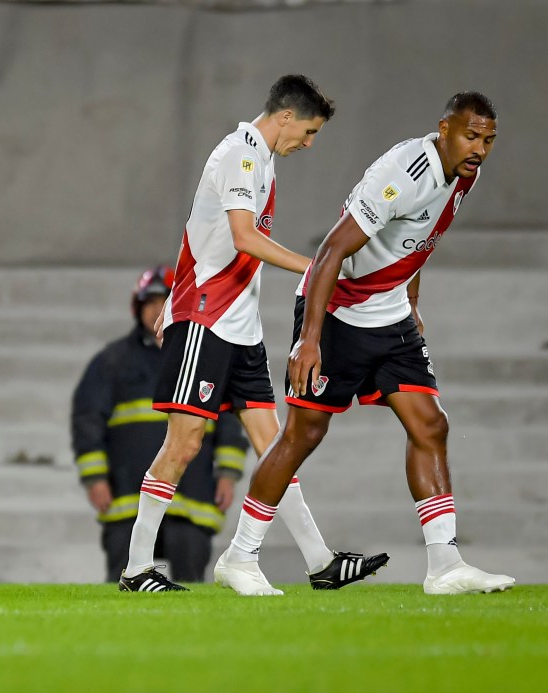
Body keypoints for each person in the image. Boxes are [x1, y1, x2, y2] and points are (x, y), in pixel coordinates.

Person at [219, 92, 515, 596]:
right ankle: (239, 556)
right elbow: (332, 248)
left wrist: (412, 300)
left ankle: (445, 566)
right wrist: (308, 341)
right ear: (444, 128)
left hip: (391, 315)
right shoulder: (403, 172)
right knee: (302, 437)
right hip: (339, 313)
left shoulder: (465, 174)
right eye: (471, 136)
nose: (479, 149)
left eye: (488, 140)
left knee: (431, 424)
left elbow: (421, 238)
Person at [120, 75, 388, 594]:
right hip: (207, 318)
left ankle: (319, 561)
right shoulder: (240, 154)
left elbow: (211, 235)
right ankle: (137, 568)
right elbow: (244, 237)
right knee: (186, 442)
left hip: (239, 326)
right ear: (285, 117)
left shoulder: (261, 160)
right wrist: (316, 269)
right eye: (308, 132)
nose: (308, 144)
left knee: (276, 447)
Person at [72, 266, 250, 583]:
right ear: (137, 308)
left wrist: (228, 475)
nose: (158, 308)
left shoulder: (205, 357)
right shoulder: (112, 361)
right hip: (127, 499)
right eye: (150, 301)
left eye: (166, 299)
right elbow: (87, 419)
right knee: (123, 587)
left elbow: (227, 418)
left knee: (191, 589)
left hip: (191, 498)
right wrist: (95, 478)